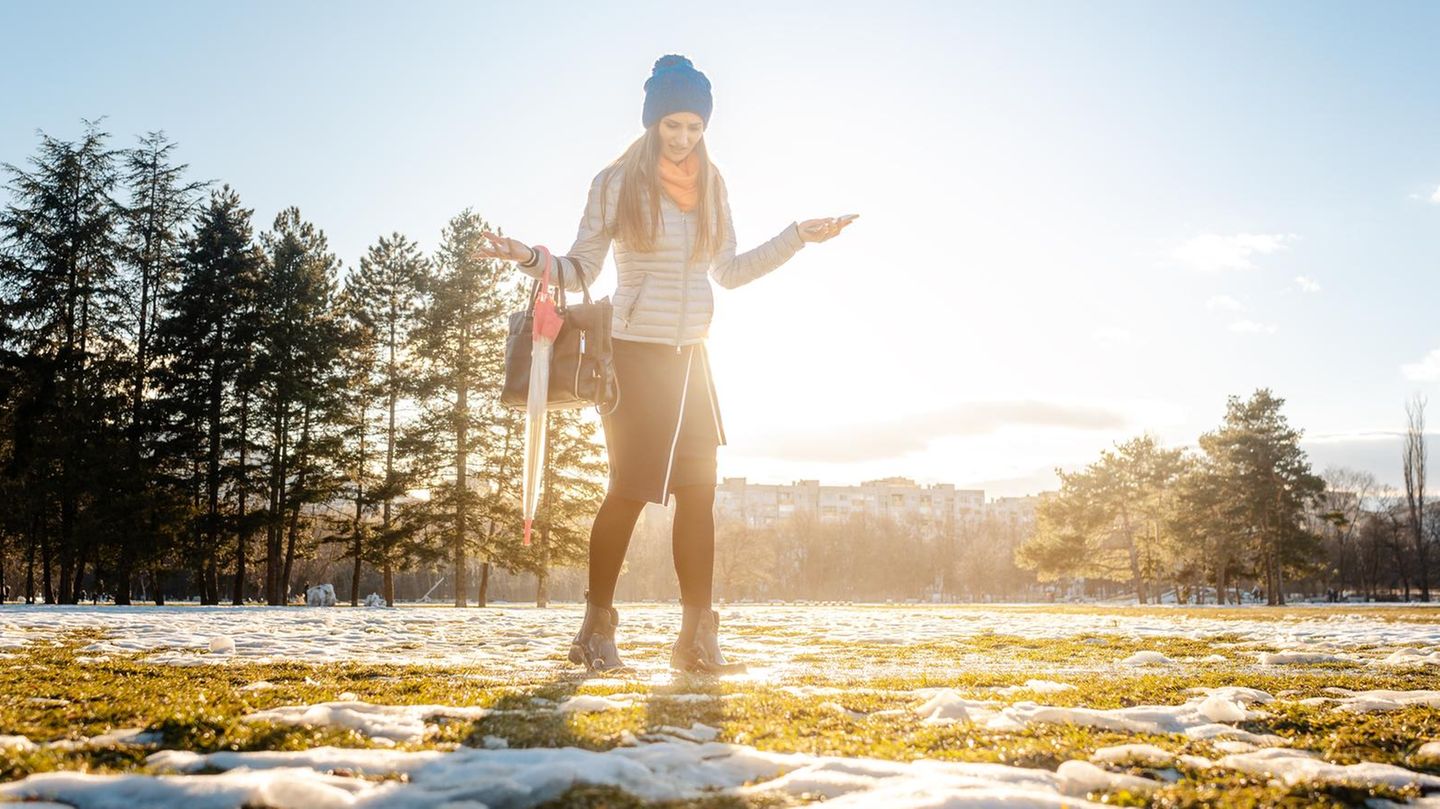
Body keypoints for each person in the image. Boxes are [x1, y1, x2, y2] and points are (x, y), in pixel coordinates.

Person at [476, 54, 855, 673]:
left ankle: (696, 641)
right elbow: (580, 270)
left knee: (699, 494)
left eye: (695, 128)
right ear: (653, 121)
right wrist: (527, 256)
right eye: (673, 125)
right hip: (632, 356)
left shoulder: (714, 184)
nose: (684, 139)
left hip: (693, 360)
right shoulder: (615, 183)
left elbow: (729, 272)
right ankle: (595, 632)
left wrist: (796, 237)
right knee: (628, 491)